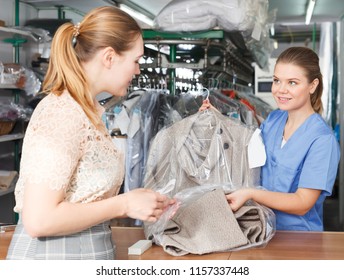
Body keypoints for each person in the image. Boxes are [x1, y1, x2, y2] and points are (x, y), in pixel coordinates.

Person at [6, 6, 174, 260]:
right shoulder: (62, 113)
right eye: (136, 60)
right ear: (109, 57)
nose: (138, 70)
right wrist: (125, 204)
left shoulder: (87, 111)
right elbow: (39, 219)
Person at [200, 46, 340, 231]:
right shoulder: (275, 119)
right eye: (277, 81)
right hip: (260, 229)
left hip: (298, 239)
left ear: (312, 86)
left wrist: (251, 194)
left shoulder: (322, 140)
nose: (281, 90)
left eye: (292, 83)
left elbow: (303, 202)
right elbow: (248, 148)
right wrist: (217, 119)